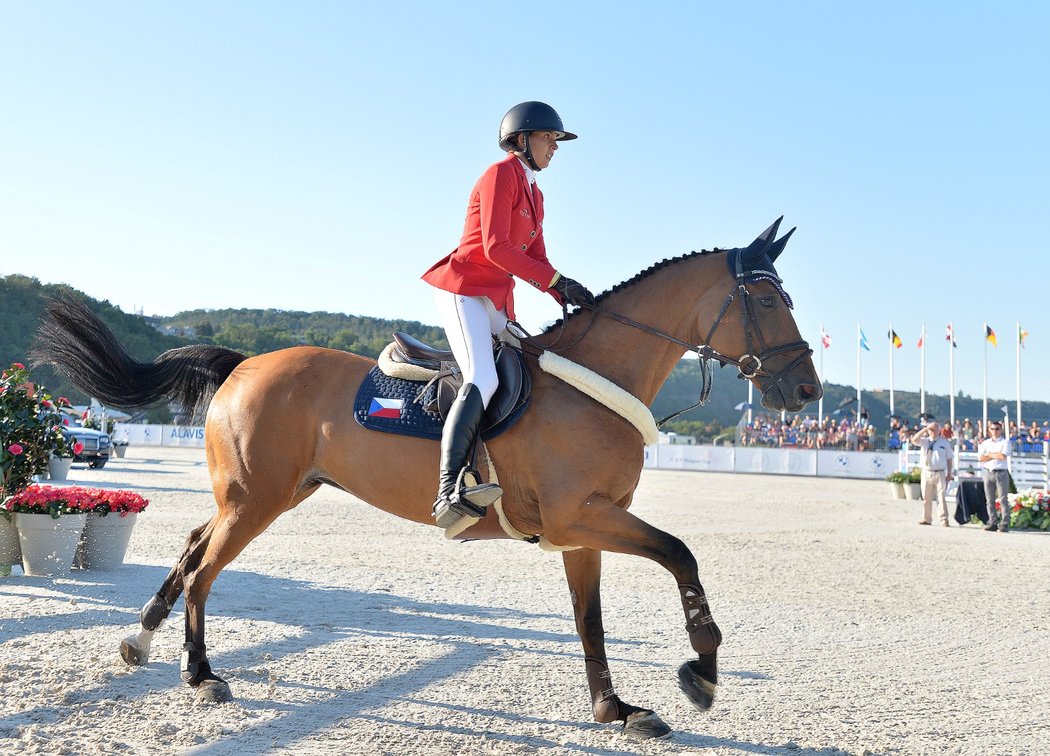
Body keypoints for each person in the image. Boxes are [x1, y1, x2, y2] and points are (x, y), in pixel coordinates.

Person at [421, 101, 595, 528]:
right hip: (464, 289)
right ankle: (448, 491)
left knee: (533, 360)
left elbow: (536, 256)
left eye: (556, 141)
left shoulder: (535, 192)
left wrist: (568, 296)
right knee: (484, 376)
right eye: (548, 138)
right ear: (522, 140)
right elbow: (498, 247)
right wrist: (555, 281)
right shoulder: (499, 175)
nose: (554, 147)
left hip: (496, 299)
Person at [909, 421, 954, 527]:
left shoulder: (944, 443)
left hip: (940, 472)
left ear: (939, 430)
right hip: (927, 472)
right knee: (926, 497)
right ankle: (926, 518)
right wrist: (925, 429)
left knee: (941, 497)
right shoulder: (925, 442)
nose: (932, 432)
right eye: (931, 430)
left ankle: (944, 519)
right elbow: (914, 440)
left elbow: (949, 459)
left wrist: (949, 473)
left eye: (934, 429)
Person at [977, 420, 1011, 532]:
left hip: (1001, 472)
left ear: (1001, 430)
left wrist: (989, 454)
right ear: (989, 430)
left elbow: (1003, 456)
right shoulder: (985, 443)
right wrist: (994, 454)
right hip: (988, 471)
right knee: (989, 499)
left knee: (1003, 499)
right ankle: (992, 521)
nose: (995, 431)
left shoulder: (1005, 442)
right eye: (992, 429)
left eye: (997, 429)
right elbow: (980, 458)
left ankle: (1005, 523)